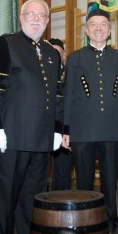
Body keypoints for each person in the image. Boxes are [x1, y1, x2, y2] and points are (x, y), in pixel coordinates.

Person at [0, 0, 63, 234]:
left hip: (41, 139)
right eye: (31, 14)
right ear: (21, 17)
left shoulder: (52, 53)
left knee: (33, 197)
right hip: (11, 137)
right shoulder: (5, 44)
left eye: (42, 15)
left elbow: (58, 96)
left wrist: (57, 128)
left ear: (48, 21)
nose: (36, 19)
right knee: (6, 197)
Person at [61, 8, 118, 234]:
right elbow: (68, 96)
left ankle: (110, 229)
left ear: (110, 30)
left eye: (103, 24)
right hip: (82, 130)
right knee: (84, 184)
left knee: (110, 183)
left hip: (111, 129)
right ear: (86, 30)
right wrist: (66, 129)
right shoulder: (75, 58)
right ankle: (84, 228)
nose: (99, 28)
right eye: (94, 24)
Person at [48, 37, 73, 191]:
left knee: (62, 171)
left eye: (58, 53)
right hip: (42, 126)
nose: (55, 57)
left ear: (64, 55)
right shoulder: (39, 73)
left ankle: (60, 201)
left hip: (63, 128)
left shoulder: (71, 73)